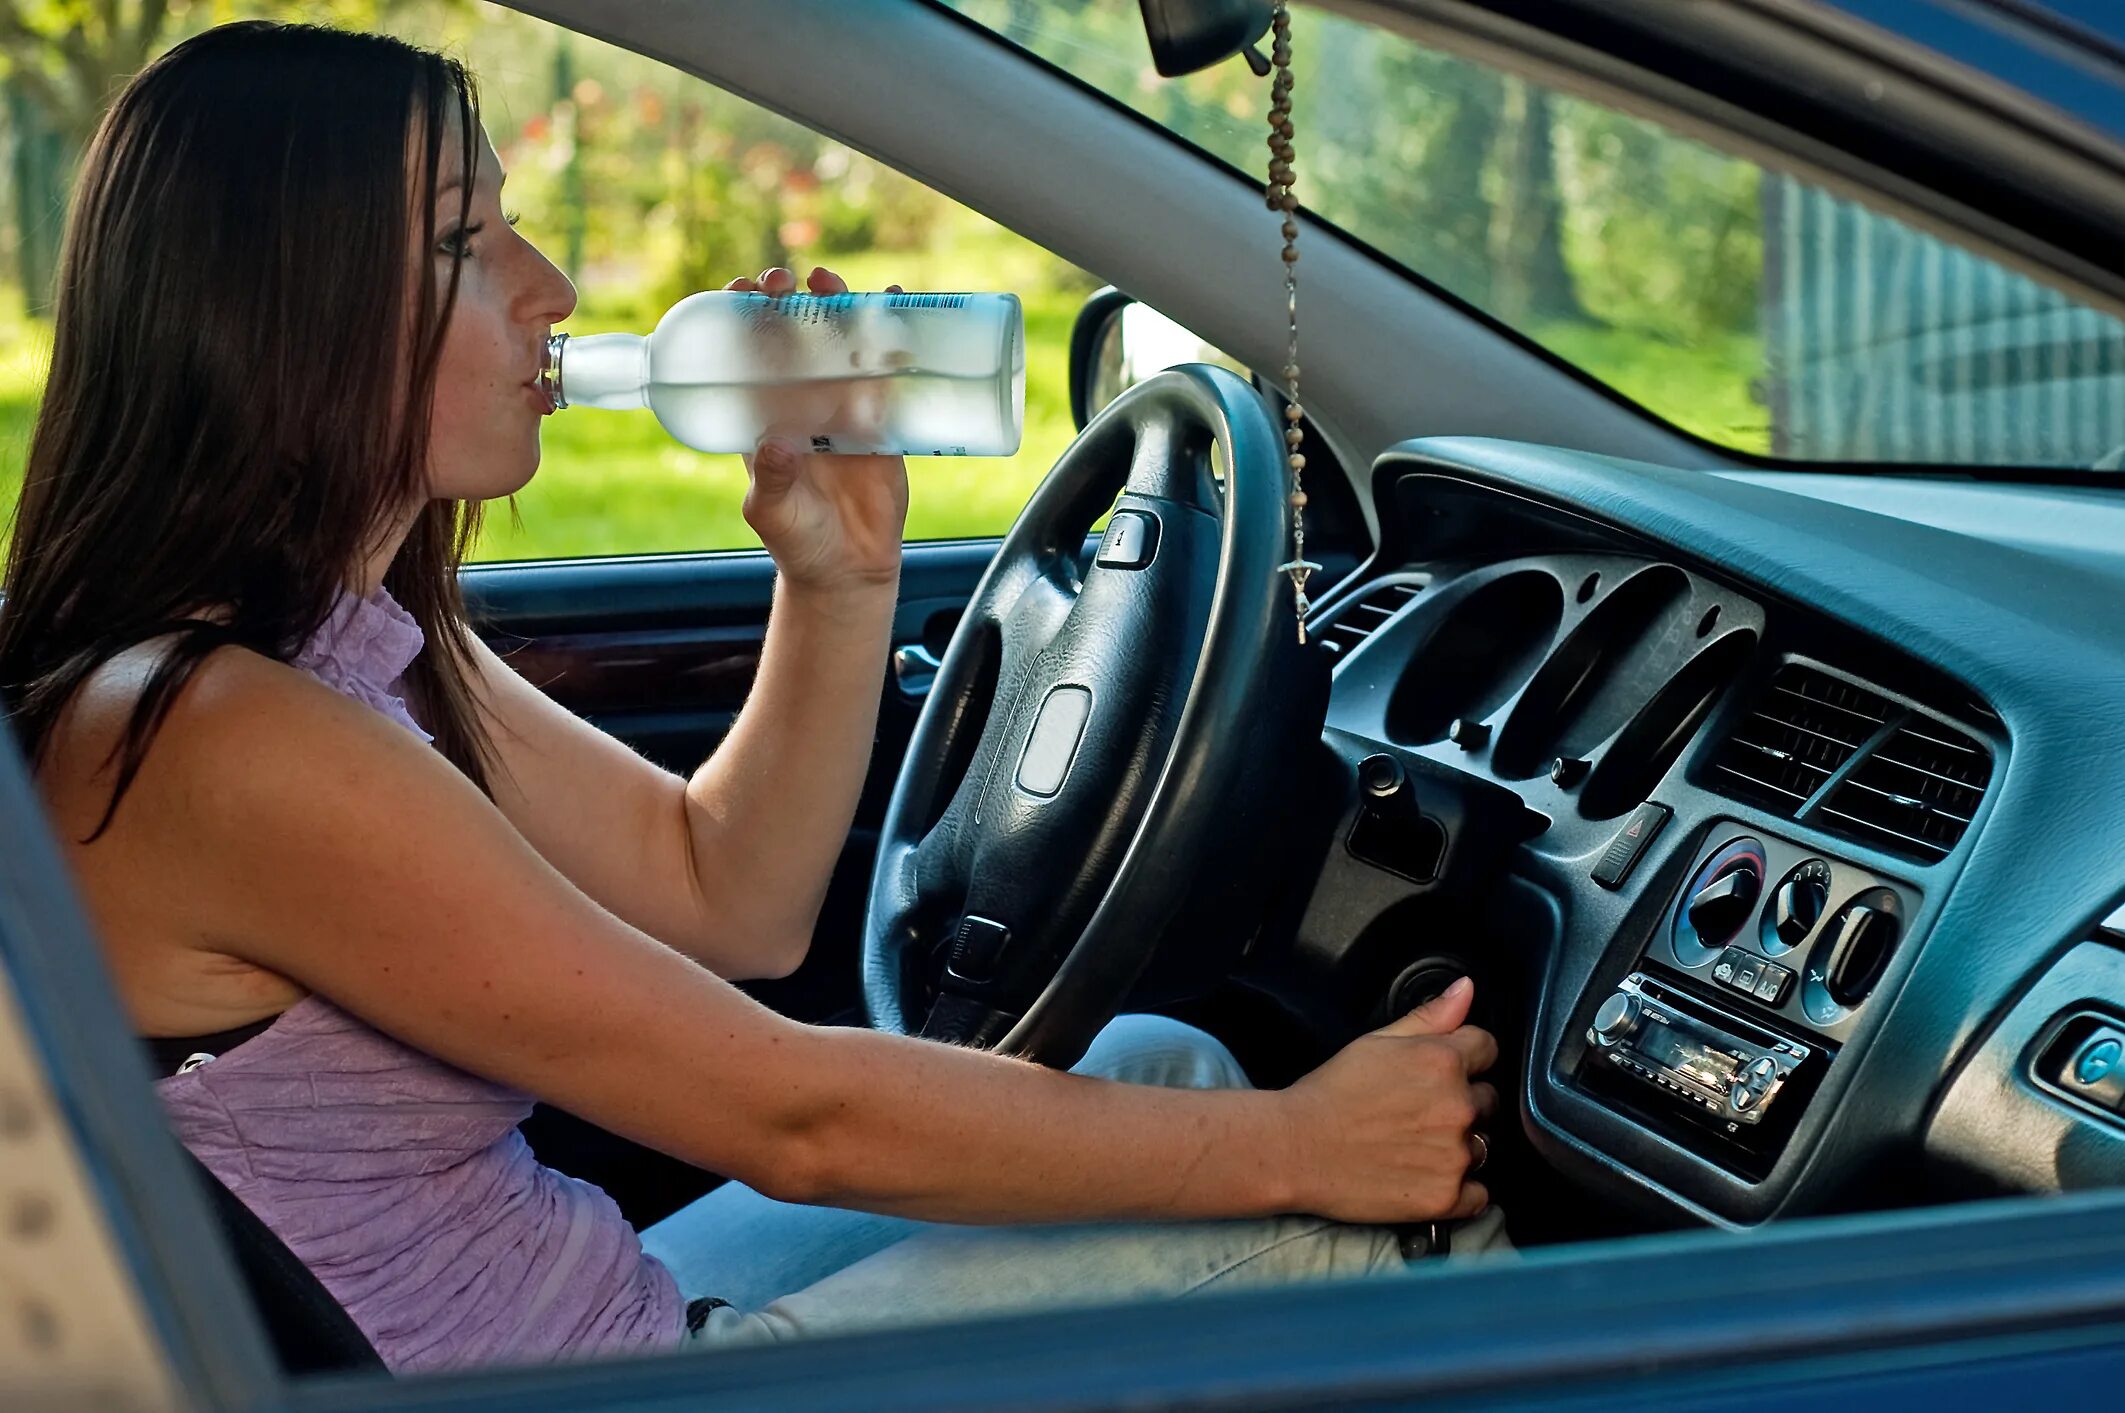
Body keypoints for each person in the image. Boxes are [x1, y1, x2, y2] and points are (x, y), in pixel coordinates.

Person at [0, 21, 1502, 1374]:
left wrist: (835, 579)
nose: (553, 290)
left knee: (1157, 1065)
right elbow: (793, 1115)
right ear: (287, 314)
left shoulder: (329, 652)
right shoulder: (225, 739)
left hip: (572, 1305)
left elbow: (732, 898)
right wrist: (1312, 1146)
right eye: (467, 241)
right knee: (1355, 1238)